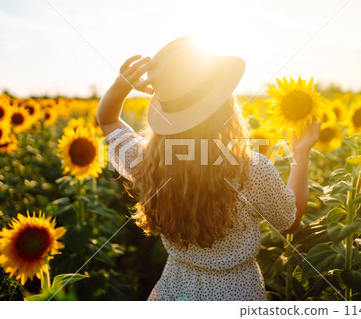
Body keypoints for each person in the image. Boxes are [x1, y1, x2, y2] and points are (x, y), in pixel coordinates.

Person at [97, 36, 321, 301]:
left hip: (175, 289)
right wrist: (301, 154)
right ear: (227, 108)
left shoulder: (151, 163)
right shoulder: (250, 170)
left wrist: (121, 86)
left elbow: (108, 120)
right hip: (237, 293)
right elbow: (290, 221)